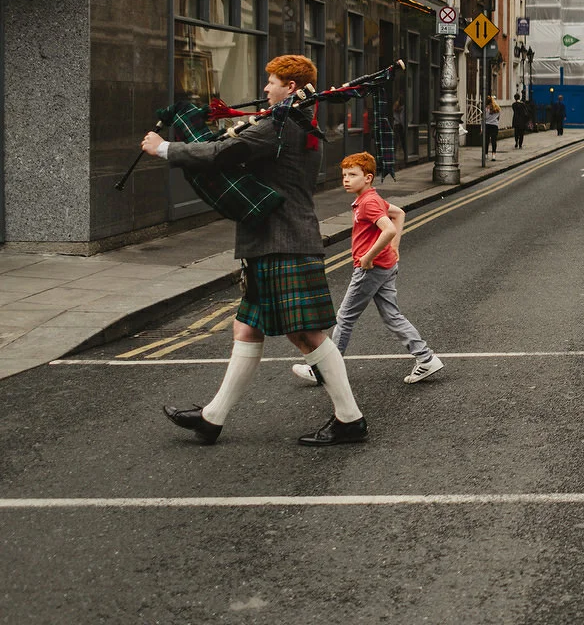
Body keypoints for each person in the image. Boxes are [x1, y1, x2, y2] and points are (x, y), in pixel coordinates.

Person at [143, 55, 368, 447]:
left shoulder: (279, 128)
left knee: (307, 335)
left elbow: (219, 155)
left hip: (283, 241)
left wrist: (166, 149)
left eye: (272, 82)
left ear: (291, 88)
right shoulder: (295, 122)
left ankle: (350, 419)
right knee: (247, 327)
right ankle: (212, 418)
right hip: (274, 240)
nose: (265, 88)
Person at [293, 153, 443, 387]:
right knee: (392, 316)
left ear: (368, 177)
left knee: (344, 317)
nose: (346, 179)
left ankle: (324, 370)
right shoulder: (370, 198)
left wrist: (368, 257)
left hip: (371, 269)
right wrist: (393, 249)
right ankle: (426, 358)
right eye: (344, 175)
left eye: (353, 175)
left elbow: (388, 229)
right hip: (385, 266)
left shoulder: (368, 203)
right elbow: (398, 214)